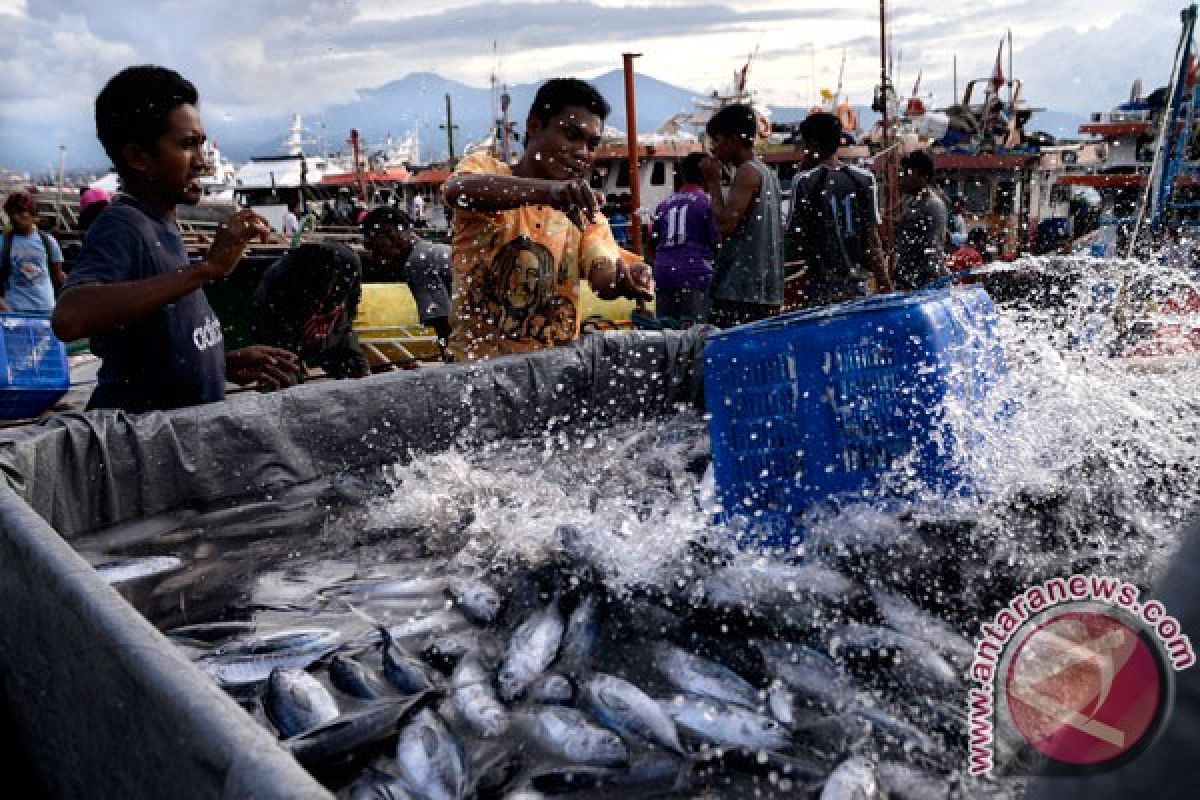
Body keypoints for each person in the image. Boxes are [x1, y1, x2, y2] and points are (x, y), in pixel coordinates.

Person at [51, 65, 301, 413]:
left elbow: (149, 345)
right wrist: (207, 269)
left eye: (201, 144)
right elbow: (70, 316)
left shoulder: (161, 224)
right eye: (187, 145)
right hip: (138, 453)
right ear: (138, 157)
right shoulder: (124, 224)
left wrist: (221, 364)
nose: (202, 162)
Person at [441, 77, 653, 361]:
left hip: (551, 378)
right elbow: (459, 191)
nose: (582, 153)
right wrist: (549, 192)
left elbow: (602, 273)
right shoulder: (486, 170)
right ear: (534, 125)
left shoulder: (584, 215)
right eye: (571, 135)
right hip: (476, 373)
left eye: (591, 144)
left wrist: (623, 280)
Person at [787, 111, 891, 307]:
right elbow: (872, 240)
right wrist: (885, 285)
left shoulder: (804, 182)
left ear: (813, 144)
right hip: (859, 285)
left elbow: (797, 237)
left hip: (822, 286)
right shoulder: (864, 179)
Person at [700, 103, 784, 327]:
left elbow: (725, 224)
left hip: (739, 290)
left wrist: (713, 182)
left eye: (717, 141)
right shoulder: (767, 173)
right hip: (763, 289)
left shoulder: (747, 172)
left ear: (735, 140)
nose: (714, 149)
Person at [250, 241, 368, 379]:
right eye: (313, 299)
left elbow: (352, 302)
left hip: (335, 324)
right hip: (284, 326)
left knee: (356, 366)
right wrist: (293, 358)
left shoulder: (349, 264)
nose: (318, 306)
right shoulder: (275, 286)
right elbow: (269, 334)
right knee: (283, 375)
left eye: (322, 296)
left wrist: (337, 325)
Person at [360, 206, 454, 359]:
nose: (374, 256)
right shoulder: (433, 250)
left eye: (374, 247)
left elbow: (442, 322)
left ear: (390, 234)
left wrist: (451, 361)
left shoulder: (418, 262)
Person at [650, 152, 719, 322]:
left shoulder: (664, 204)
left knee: (666, 333)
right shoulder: (707, 203)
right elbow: (716, 241)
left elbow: (652, 242)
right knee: (696, 334)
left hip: (664, 273)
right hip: (695, 274)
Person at [0, 191, 66, 314]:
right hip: (13, 312)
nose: (15, 217)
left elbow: (58, 277)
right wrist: (6, 309)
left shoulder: (49, 242)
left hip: (46, 311)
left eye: (21, 212)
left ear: (34, 216)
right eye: (11, 213)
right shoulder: (3, 243)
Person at [894, 149, 949, 291]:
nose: (902, 178)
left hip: (924, 283)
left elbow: (931, 249)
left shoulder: (931, 205)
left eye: (908, 173)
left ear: (923, 176)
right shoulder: (913, 202)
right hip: (912, 279)